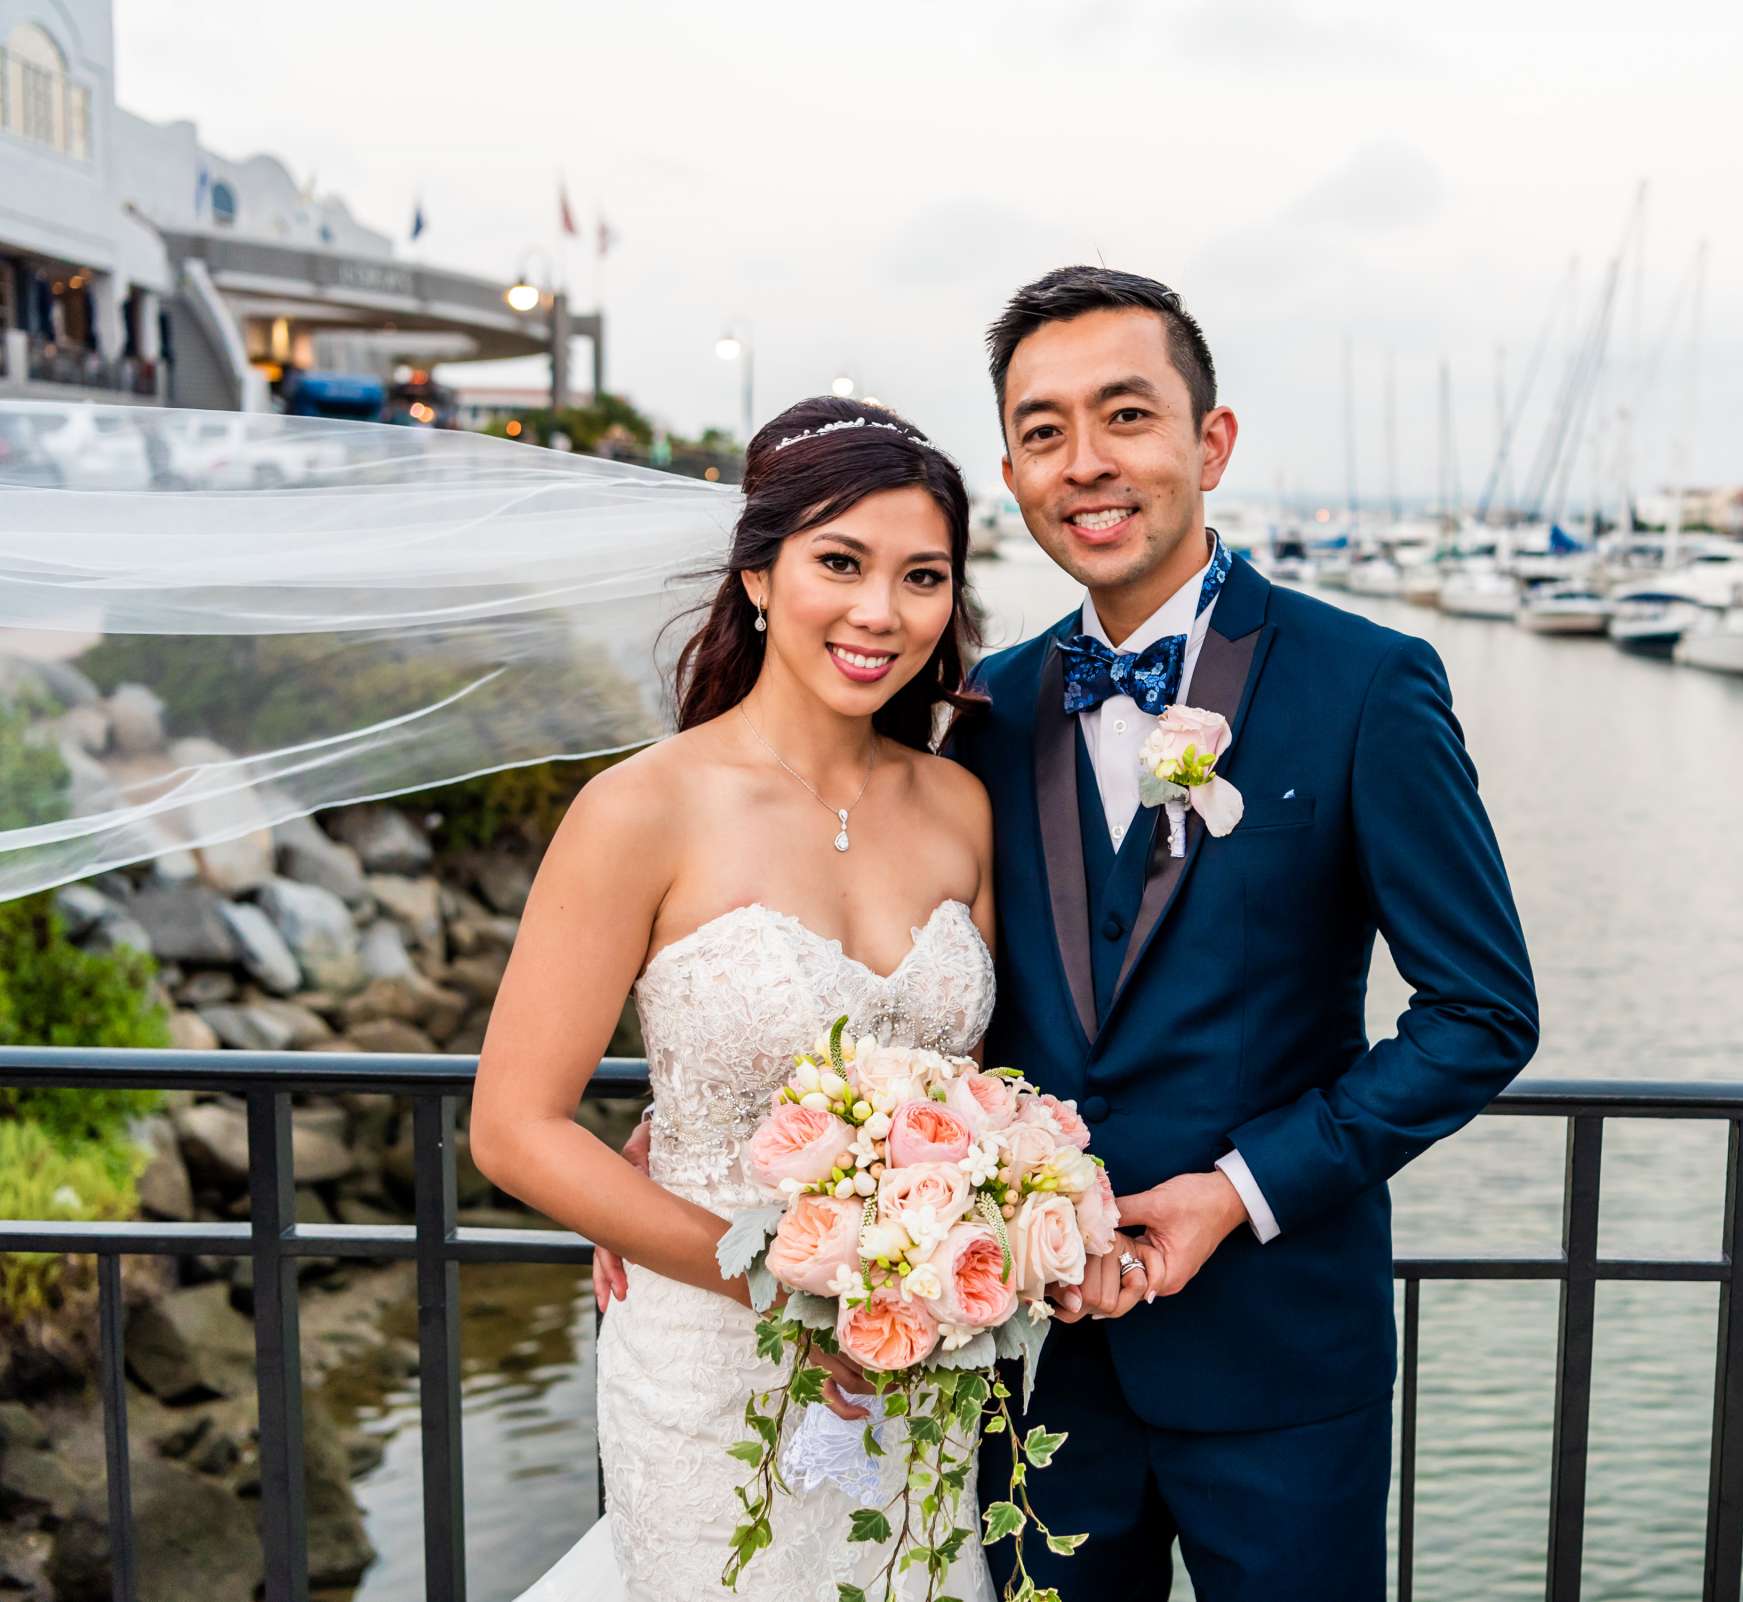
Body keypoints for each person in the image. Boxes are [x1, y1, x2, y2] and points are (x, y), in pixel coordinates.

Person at [943, 266, 1540, 1599]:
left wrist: (1242, 1189)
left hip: (1284, 1370)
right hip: (1037, 1361)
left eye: (1126, 416)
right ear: (1012, 469)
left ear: (1209, 443)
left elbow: (1480, 1012)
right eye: (1044, 432)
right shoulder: (988, 707)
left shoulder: (1368, 683)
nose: (1085, 464)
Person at [472, 397, 1080, 1600]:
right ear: (758, 573)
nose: (880, 613)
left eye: (922, 577)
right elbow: (514, 1127)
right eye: (839, 563)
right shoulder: (640, 809)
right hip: (710, 1365)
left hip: (917, 1363)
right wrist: (782, 1275)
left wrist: (978, 1217)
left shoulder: (961, 807)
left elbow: (983, 1080)